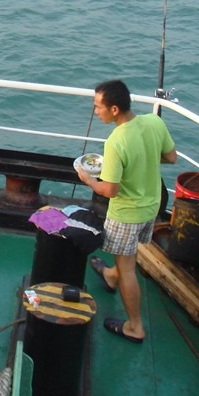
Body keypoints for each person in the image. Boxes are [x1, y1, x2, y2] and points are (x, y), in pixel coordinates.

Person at [77, 79, 177, 344]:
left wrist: (88, 179)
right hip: (152, 207)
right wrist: (142, 158)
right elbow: (171, 157)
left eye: (98, 107)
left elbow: (109, 190)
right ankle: (111, 276)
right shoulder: (154, 123)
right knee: (126, 256)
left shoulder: (116, 142)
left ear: (114, 110)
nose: (95, 111)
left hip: (127, 214)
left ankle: (135, 327)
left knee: (128, 267)